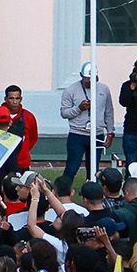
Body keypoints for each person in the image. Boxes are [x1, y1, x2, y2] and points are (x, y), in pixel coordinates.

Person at [54, 63, 115, 194]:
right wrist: (79, 108)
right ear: (81, 76)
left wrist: (110, 132)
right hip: (77, 134)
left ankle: (92, 194)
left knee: (93, 168)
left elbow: (108, 111)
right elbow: (64, 113)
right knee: (72, 167)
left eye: (92, 79)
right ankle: (63, 193)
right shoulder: (71, 90)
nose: (89, 82)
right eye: (87, 79)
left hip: (97, 134)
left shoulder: (104, 89)